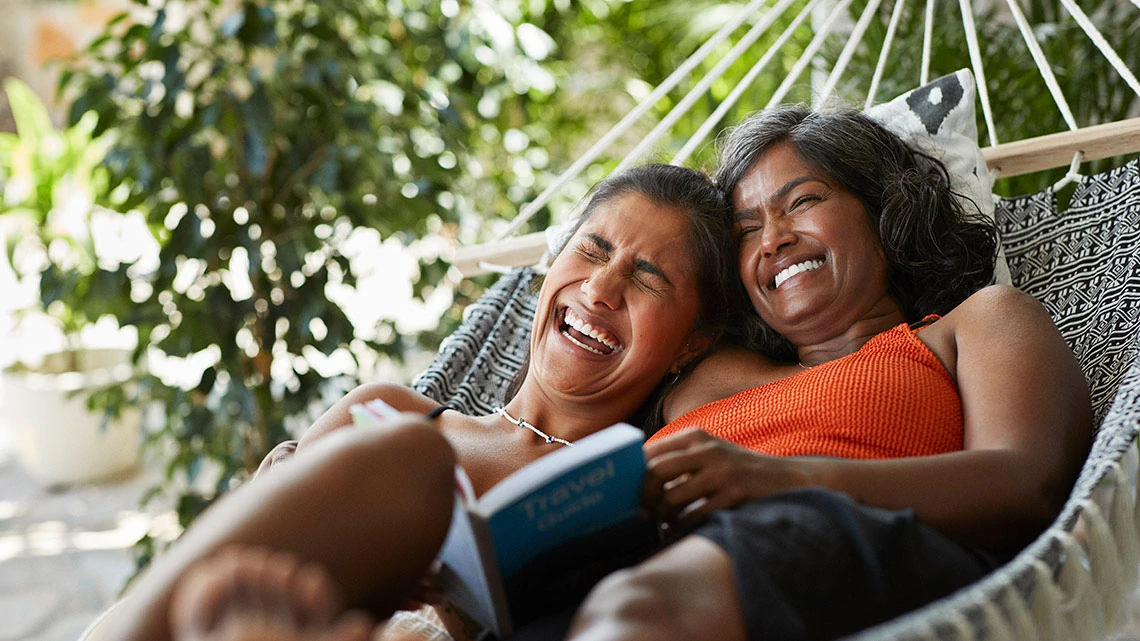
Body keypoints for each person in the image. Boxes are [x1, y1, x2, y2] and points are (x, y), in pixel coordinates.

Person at [81, 164, 744, 641]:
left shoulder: (634, 483)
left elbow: (813, 372)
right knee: (406, 453)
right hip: (213, 614)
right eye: (591, 250)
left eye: (647, 277)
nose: (601, 287)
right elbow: (230, 549)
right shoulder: (392, 410)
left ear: (695, 343)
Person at [557, 106, 1092, 641]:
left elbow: (1026, 485)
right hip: (648, 573)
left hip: (850, 554)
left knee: (636, 611)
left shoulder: (974, 324)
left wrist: (785, 479)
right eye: (746, 230)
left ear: (886, 212)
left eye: (803, 202)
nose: (772, 240)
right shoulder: (699, 374)